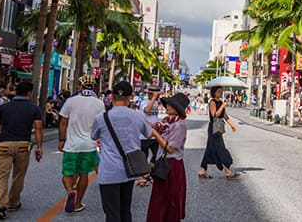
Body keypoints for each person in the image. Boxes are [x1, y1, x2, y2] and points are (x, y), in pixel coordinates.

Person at [90, 81, 154, 222]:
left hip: (108, 172)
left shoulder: (101, 118)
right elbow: (149, 134)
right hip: (130, 170)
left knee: (112, 213)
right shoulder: (138, 116)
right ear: (130, 97)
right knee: (126, 211)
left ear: (112, 97)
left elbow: (93, 136)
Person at [0, 81, 43, 219]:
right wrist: (39, 147)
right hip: (22, 144)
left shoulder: (4, 107)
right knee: (18, 175)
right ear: (29, 93)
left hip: (5, 143)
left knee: (1, 175)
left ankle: (1, 204)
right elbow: (38, 127)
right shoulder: (34, 108)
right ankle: (14, 202)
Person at [59, 77, 106, 213]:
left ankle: (70, 190)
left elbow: (63, 122)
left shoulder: (71, 101)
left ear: (80, 87)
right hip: (89, 145)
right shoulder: (99, 103)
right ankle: (78, 204)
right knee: (84, 174)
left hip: (71, 145)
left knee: (68, 172)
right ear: (94, 88)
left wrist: (61, 140)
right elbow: (101, 124)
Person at [146, 93, 189, 222]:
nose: (167, 106)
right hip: (164, 162)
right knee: (160, 198)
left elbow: (170, 148)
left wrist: (156, 135)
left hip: (172, 165)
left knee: (169, 199)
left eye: (171, 105)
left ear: (177, 109)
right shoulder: (167, 121)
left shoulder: (180, 125)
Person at [198, 86, 240, 179]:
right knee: (220, 148)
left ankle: (202, 170)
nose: (221, 93)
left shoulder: (221, 102)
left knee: (210, 149)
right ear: (214, 92)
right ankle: (227, 171)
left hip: (218, 128)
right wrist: (222, 106)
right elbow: (215, 115)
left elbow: (225, 116)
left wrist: (231, 124)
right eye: (219, 91)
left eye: (222, 91)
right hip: (213, 128)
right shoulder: (212, 102)